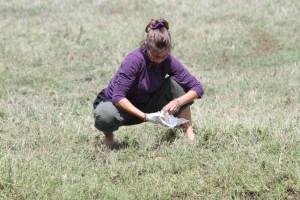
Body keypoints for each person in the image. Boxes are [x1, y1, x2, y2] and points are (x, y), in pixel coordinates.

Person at [93, 18, 204, 148]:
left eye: (164, 56)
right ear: (146, 45)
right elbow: (118, 97)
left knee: (177, 84)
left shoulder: (167, 60)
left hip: (147, 102)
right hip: (120, 107)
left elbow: (197, 88)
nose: (160, 60)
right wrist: (146, 117)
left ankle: (189, 134)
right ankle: (109, 137)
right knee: (105, 114)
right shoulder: (134, 60)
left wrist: (177, 102)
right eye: (156, 55)